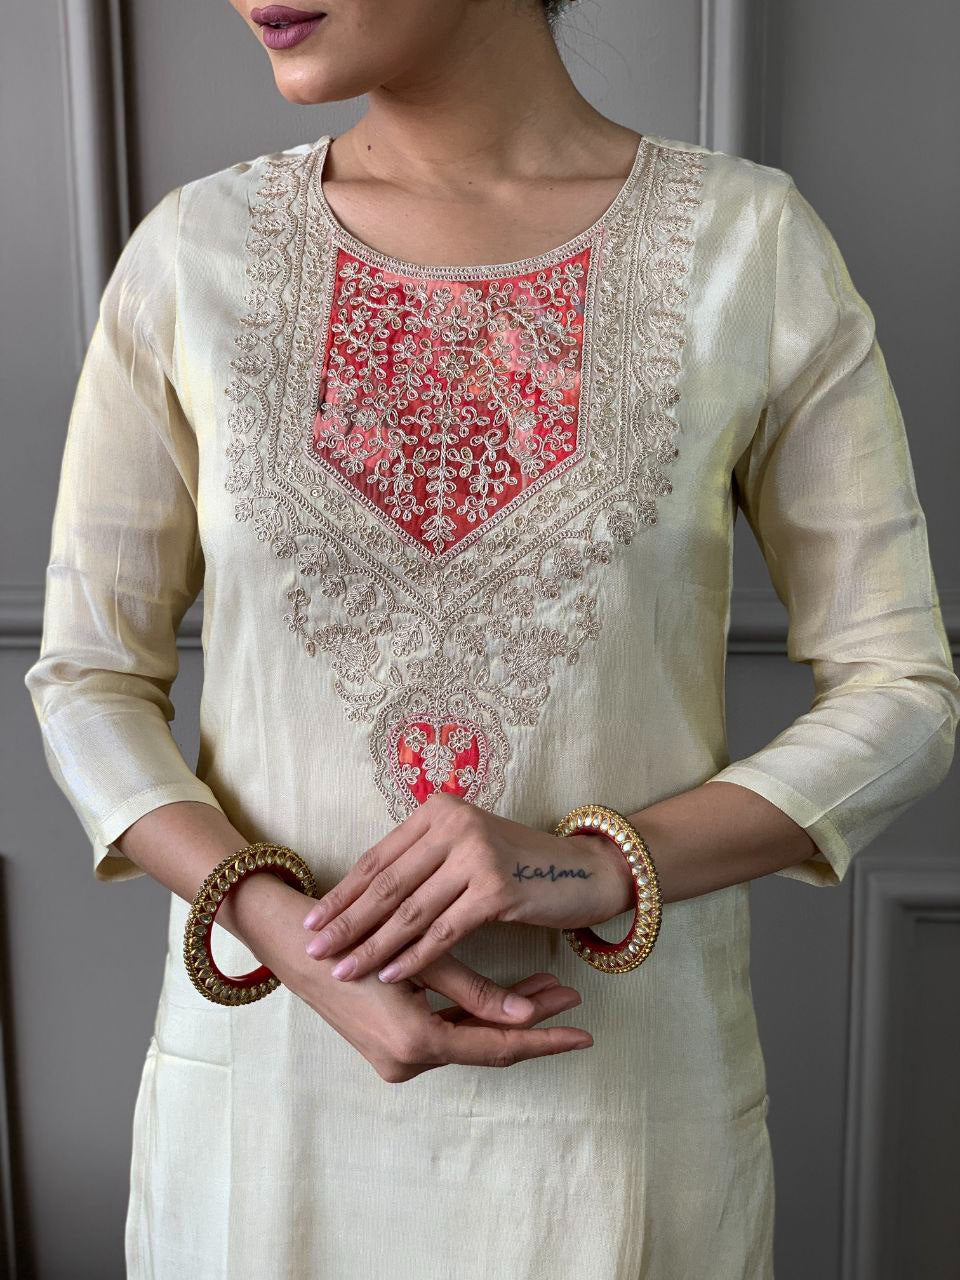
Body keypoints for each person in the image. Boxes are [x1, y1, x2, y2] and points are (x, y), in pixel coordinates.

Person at [23, 0, 959, 1276]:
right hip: (271, 1097)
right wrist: (283, 929)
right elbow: (87, 677)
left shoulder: (748, 248)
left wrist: (593, 863)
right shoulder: (194, 254)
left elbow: (902, 689)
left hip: (617, 1117)